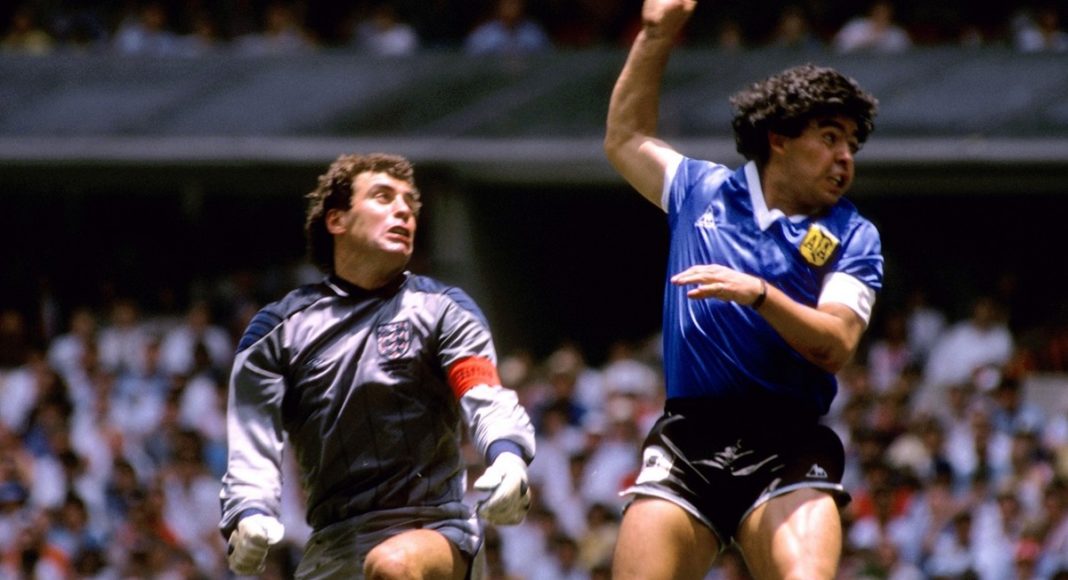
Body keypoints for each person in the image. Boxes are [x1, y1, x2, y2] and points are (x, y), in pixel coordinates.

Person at [603, 0, 883, 578]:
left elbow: (835, 344)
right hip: (688, 441)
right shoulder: (698, 190)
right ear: (779, 138)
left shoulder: (852, 234)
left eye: (853, 145)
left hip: (790, 443)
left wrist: (760, 294)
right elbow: (626, 139)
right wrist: (655, 35)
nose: (845, 158)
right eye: (831, 137)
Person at [219, 153, 536, 578]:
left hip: (435, 531)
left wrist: (509, 457)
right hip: (331, 547)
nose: (403, 210)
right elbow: (250, 441)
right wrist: (248, 513)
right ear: (337, 220)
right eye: (384, 197)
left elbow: (484, 393)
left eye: (409, 203)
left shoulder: (445, 309)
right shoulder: (274, 333)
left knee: (390, 565)